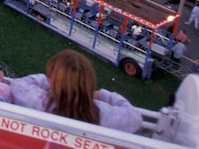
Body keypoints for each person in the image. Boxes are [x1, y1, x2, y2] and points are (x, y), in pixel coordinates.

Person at [11, 50, 142, 133]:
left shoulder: (41, 102)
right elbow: (135, 117)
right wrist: (102, 94)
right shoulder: (103, 114)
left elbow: (18, 85)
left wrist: (51, 83)